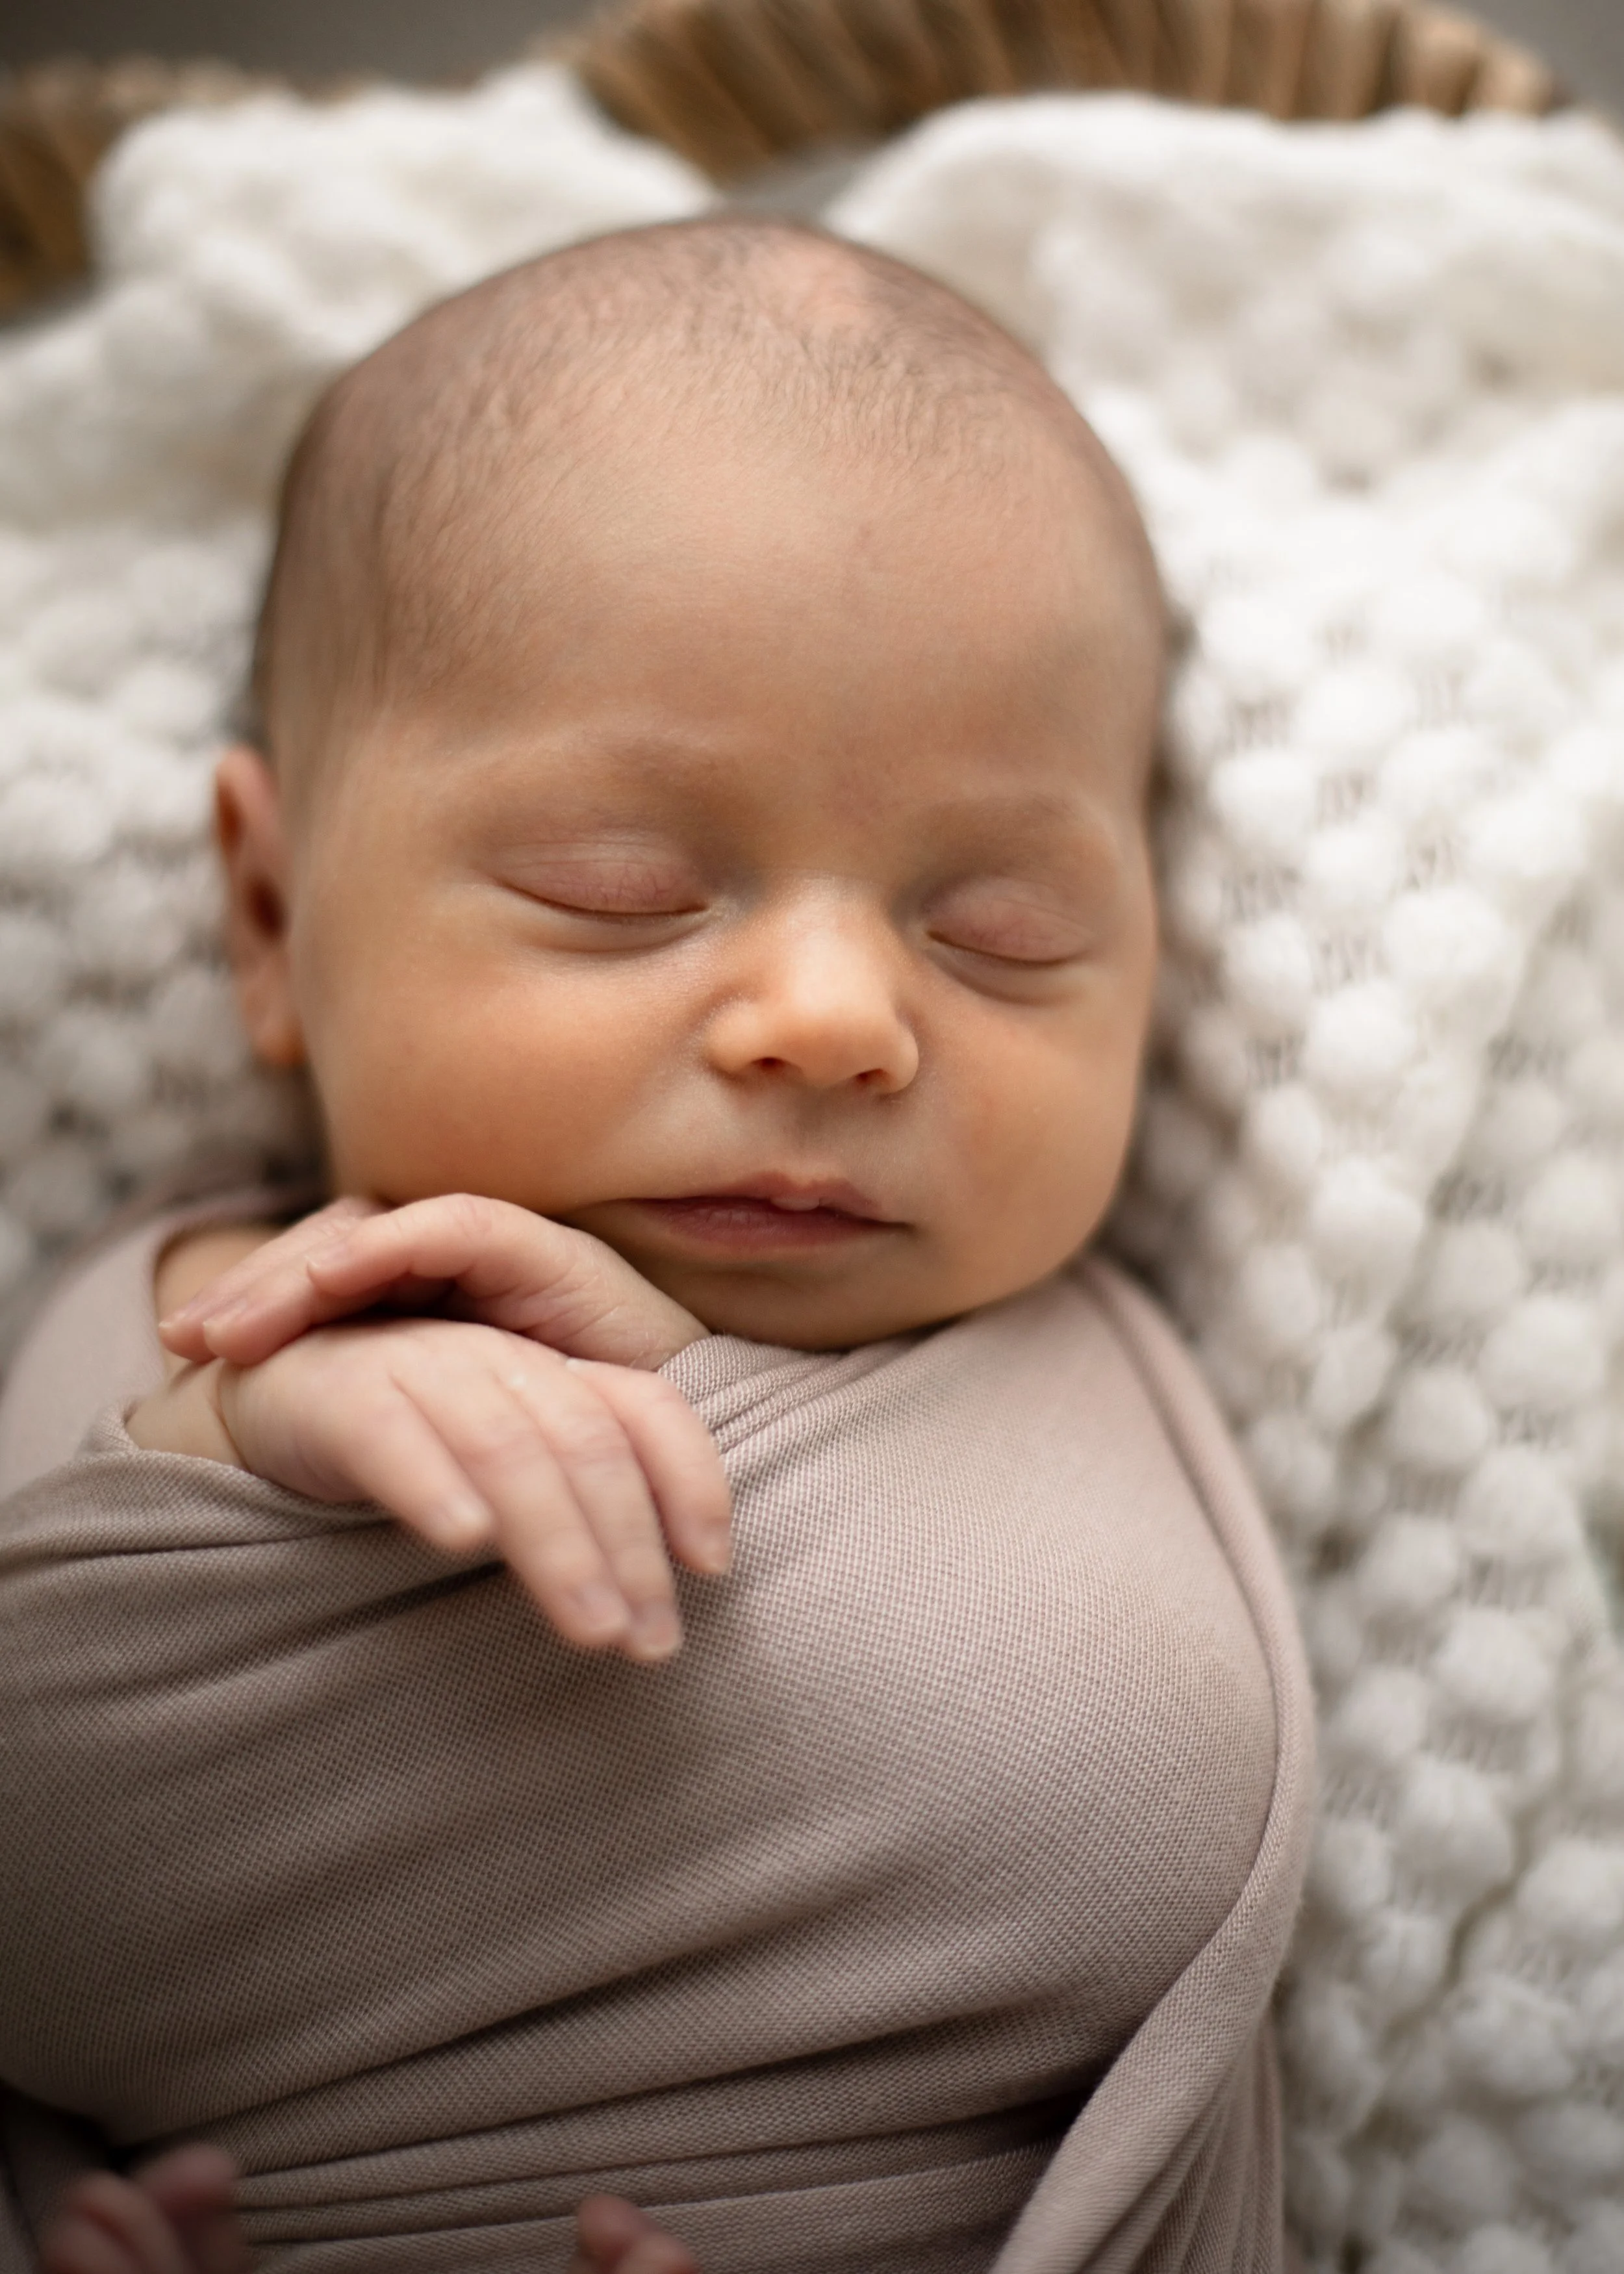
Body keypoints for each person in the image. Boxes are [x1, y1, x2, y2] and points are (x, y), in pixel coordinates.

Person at [1, 216, 1311, 2274]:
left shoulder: (1079, 1349)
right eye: (617, 887)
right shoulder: (190, 1316)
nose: (835, 1018)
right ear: (267, 919)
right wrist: (254, 1430)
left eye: (1001, 933)